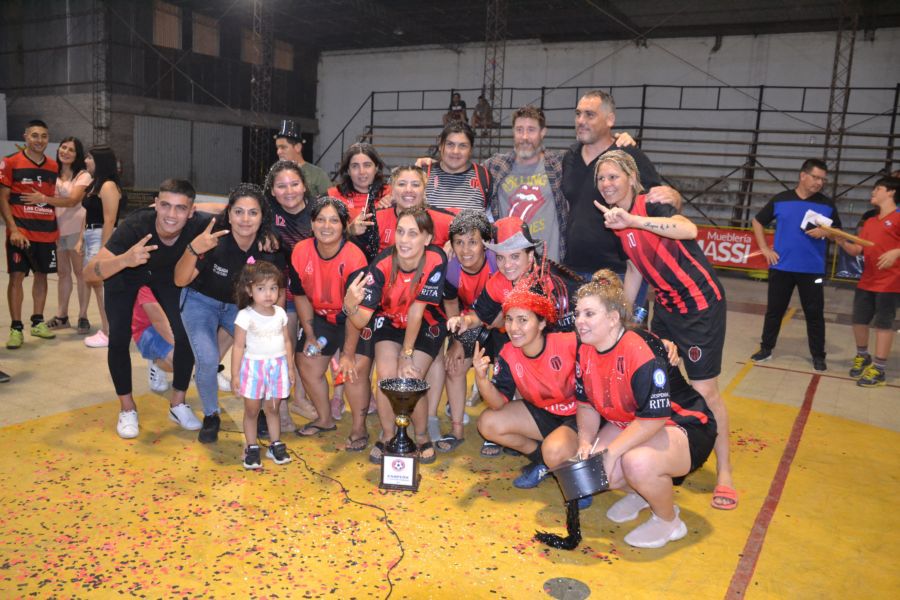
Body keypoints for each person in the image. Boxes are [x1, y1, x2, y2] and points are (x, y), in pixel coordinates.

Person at [593, 150, 734, 510]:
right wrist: (624, 316)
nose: (607, 184)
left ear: (630, 177)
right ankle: (660, 466)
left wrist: (635, 220)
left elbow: (689, 229)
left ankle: (725, 473)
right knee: (665, 384)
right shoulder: (615, 221)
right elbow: (636, 265)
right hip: (667, 310)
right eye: (601, 179)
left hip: (701, 306)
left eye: (613, 177)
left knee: (705, 389)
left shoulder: (650, 203)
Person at [540, 270, 717, 549]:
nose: (579, 321)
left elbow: (654, 419)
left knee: (636, 462)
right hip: (636, 421)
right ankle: (643, 492)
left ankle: (669, 520)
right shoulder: (586, 349)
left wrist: (613, 451)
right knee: (597, 474)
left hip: (683, 423)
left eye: (589, 314)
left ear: (612, 319)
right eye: (578, 314)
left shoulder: (639, 349)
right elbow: (586, 404)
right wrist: (585, 441)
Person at [84, 178, 207, 439]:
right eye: (165, 206)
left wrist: (265, 233)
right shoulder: (134, 227)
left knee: (186, 334)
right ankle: (127, 408)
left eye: (180, 208)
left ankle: (178, 403)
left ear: (191, 211)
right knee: (118, 339)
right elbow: (88, 274)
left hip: (164, 276)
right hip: (124, 276)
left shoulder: (198, 224)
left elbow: (232, 213)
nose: (171, 215)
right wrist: (124, 259)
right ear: (156, 205)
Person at [174, 183, 281, 443]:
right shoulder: (213, 241)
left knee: (261, 350)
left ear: (262, 217)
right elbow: (180, 280)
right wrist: (193, 249)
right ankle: (211, 415)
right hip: (201, 301)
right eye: (239, 212)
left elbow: (273, 289)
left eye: (253, 213)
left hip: (238, 306)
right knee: (208, 359)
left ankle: (263, 412)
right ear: (229, 215)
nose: (245, 219)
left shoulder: (266, 245)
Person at [342, 206, 447, 466]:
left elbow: (417, 310)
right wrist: (349, 305)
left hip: (425, 323)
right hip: (389, 323)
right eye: (401, 231)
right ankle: (389, 436)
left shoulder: (436, 259)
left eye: (413, 234)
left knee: (410, 378)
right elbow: (361, 320)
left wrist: (406, 354)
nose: (404, 239)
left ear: (427, 239)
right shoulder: (381, 265)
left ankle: (421, 436)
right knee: (386, 378)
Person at [471, 268, 579, 490]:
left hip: (578, 417)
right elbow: (499, 403)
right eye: (509, 319)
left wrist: (661, 345)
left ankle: (576, 474)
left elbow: (610, 342)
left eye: (523, 320)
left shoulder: (568, 343)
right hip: (544, 413)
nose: (514, 328)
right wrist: (481, 379)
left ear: (541, 323)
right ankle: (543, 462)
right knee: (488, 423)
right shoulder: (509, 353)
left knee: (555, 449)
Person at [563, 90, 680, 282]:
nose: (581, 120)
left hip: (621, 272)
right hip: (573, 270)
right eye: (578, 114)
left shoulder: (628, 154)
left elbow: (660, 201)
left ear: (610, 120)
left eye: (590, 114)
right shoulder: (570, 156)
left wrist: (675, 198)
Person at [290, 197, 371, 450]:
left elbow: (354, 311)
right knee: (306, 361)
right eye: (320, 220)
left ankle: (359, 429)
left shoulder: (355, 258)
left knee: (353, 371)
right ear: (311, 224)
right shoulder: (300, 251)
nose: (326, 226)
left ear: (344, 225)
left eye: (334, 220)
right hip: (323, 318)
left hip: (355, 318)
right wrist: (311, 334)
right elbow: (301, 296)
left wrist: (347, 354)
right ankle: (324, 419)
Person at [750, 159, 841, 371]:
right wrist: (765, 249)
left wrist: (826, 232)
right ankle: (766, 349)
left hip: (812, 270)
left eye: (823, 179)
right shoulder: (780, 199)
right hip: (781, 267)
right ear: (803, 176)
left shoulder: (827, 205)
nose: (819, 183)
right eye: (816, 177)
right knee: (774, 311)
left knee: (815, 313)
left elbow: (838, 234)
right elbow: (757, 221)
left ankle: (818, 355)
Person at [433, 210, 497, 453]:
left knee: (505, 371)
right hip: (471, 322)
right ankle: (457, 429)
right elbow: (451, 306)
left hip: (501, 323)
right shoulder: (451, 269)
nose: (466, 250)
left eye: (472, 241)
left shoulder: (496, 262)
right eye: (459, 243)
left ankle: (497, 431)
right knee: (455, 364)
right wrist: (457, 341)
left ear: (485, 243)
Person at [265, 160, 316, 425]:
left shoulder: (318, 210)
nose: (289, 191)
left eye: (294, 184)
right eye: (281, 186)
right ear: (272, 191)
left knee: (305, 348)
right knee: (283, 347)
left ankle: (300, 398)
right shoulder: (266, 210)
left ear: (304, 186)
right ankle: (281, 406)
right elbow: (224, 209)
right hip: (280, 292)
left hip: (311, 291)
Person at [1, 119, 59, 349]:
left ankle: (38, 322)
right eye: (35, 135)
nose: (39, 140)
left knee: (42, 276)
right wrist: (13, 229)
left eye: (44, 136)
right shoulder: (10, 162)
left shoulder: (53, 167)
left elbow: (56, 199)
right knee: (16, 277)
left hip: (46, 233)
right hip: (20, 232)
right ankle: (16, 328)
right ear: (25, 136)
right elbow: (3, 198)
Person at [232, 260, 294, 469]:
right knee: (251, 410)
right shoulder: (245, 316)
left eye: (273, 288)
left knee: (273, 408)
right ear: (249, 290)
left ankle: (274, 444)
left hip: (277, 366)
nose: (268, 294)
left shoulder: (280, 314)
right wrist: (235, 375)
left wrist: (291, 368)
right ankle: (251, 446)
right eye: (261, 288)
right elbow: (238, 347)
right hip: (253, 369)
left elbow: (286, 341)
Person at [839, 176, 900, 387]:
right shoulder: (871, 221)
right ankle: (863, 356)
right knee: (859, 320)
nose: (873, 192)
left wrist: (896, 252)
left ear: (891, 192)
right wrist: (838, 238)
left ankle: (880, 368)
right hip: (867, 280)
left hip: (891, 281)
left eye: (878, 188)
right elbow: (857, 250)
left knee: (883, 324)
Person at [41, 137, 92, 333]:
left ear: (77, 155)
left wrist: (45, 198)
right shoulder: (51, 173)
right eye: (63, 147)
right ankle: (62, 316)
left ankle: (83, 316)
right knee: (63, 274)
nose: (66, 152)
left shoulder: (83, 176)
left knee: (81, 274)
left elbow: (72, 201)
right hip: (56, 230)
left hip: (76, 231)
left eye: (71, 150)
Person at [80, 145, 124, 348]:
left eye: (89, 158)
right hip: (91, 235)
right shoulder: (95, 184)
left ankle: (109, 331)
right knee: (98, 287)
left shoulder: (108, 186)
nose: (86, 161)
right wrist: (82, 239)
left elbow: (110, 219)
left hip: (101, 236)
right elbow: (89, 215)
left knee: (102, 287)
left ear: (100, 161)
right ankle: (107, 329)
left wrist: (104, 251)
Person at [357, 165, 455, 254]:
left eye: (415, 185)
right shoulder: (375, 219)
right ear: (393, 190)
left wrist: (456, 241)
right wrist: (351, 232)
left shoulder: (443, 220)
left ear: (424, 190)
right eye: (402, 184)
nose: (408, 190)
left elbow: (468, 229)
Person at [424, 122, 493, 212]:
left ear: (471, 150)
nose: (455, 151)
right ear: (440, 146)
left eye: (463, 146)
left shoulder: (484, 177)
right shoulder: (424, 174)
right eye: (450, 144)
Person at [327, 142, 392, 220]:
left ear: (376, 168)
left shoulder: (391, 194)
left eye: (367, 165)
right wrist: (349, 230)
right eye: (355, 166)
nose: (362, 172)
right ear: (348, 170)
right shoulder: (332, 196)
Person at [273, 119, 332, 198]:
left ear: (298, 147)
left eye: (283, 147)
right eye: (277, 148)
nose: (278, 152)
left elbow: (331, 203)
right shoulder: (275, 173)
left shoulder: (317, 175)